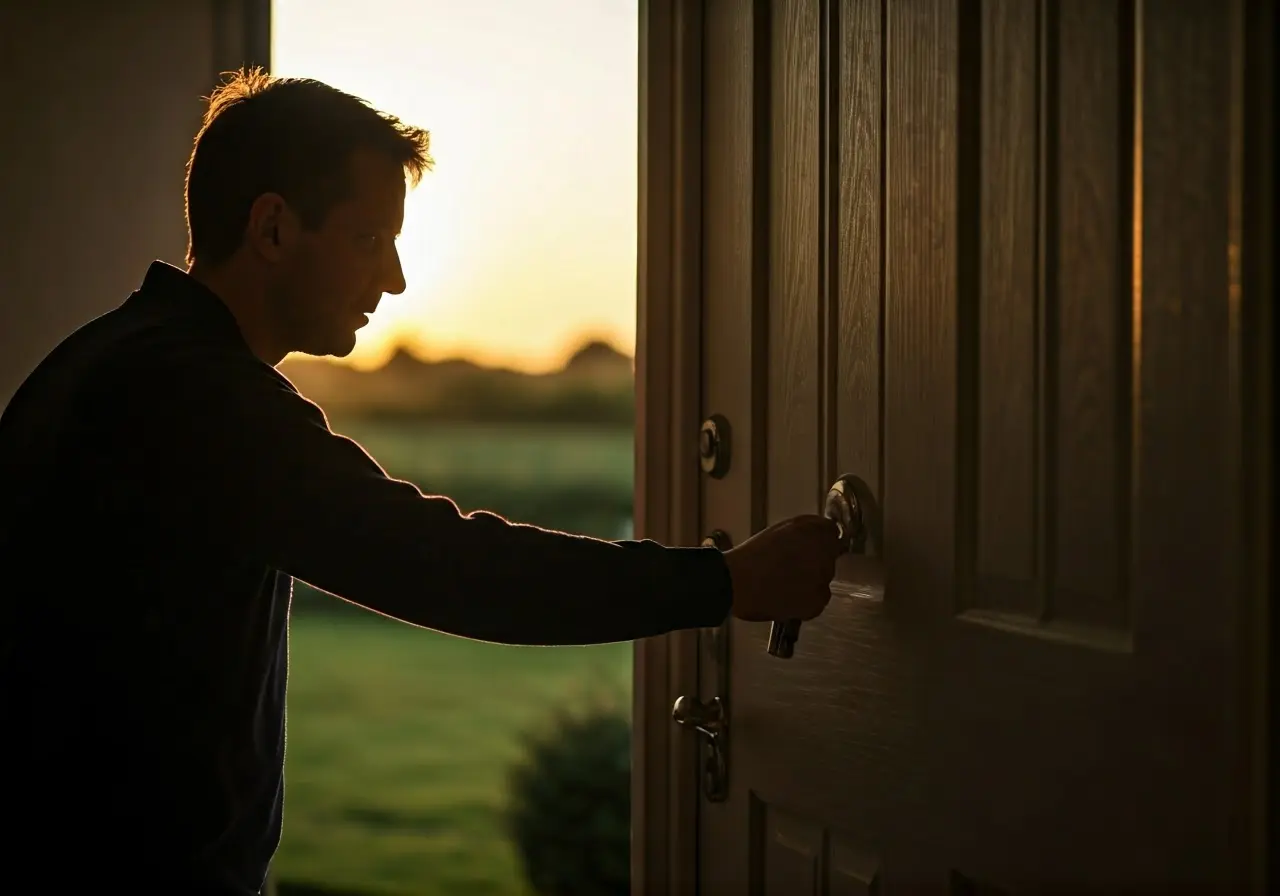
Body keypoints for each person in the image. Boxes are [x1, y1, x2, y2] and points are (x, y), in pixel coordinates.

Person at [0, 68, 841, 894]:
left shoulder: (95, 360)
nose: (395, 278)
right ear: (272, 229)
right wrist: (725, 581)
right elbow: (446, 566)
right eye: (370, 239)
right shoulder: (203, 401)